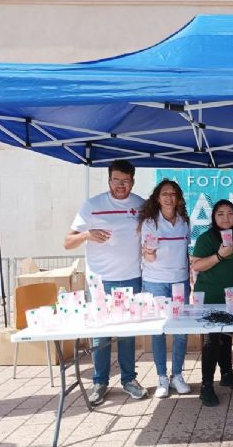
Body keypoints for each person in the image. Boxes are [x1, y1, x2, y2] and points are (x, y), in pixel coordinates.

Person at [64, 159, 147, 405]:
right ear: (109, 179)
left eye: (126, 181)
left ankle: (129, 379)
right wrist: (88, 234)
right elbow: (67, 242)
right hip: (100, 281)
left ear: (133, 180)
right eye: (116, 180)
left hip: (132, 277)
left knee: (127, 332)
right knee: (101, 334)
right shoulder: (92, 205)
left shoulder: (141, 205)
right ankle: (99, 382)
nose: (121, 185)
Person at [138, 179, 192, 398]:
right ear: (157, 198)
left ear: (178, 198)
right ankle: (161, 377)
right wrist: (149, 252)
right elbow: (147, 255)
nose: (169, 198)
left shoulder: (184, 222)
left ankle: (177, 375)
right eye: (164, 194)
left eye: (173, 194)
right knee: (159, 329)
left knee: (180, 330)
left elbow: (187, 251)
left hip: (180, 281)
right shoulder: (149, 223)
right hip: (155, 281)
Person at [192, 199, 233, 406]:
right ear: (214, 218)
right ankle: (207, 385)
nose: (226, 218)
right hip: (210, 298)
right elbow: (196, 266)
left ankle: (227, 374)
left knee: (226, 338)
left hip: (232, 298)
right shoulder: (207, 238)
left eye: (230, 213)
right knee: (211, 341)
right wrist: (219, 255)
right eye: (220, 214)